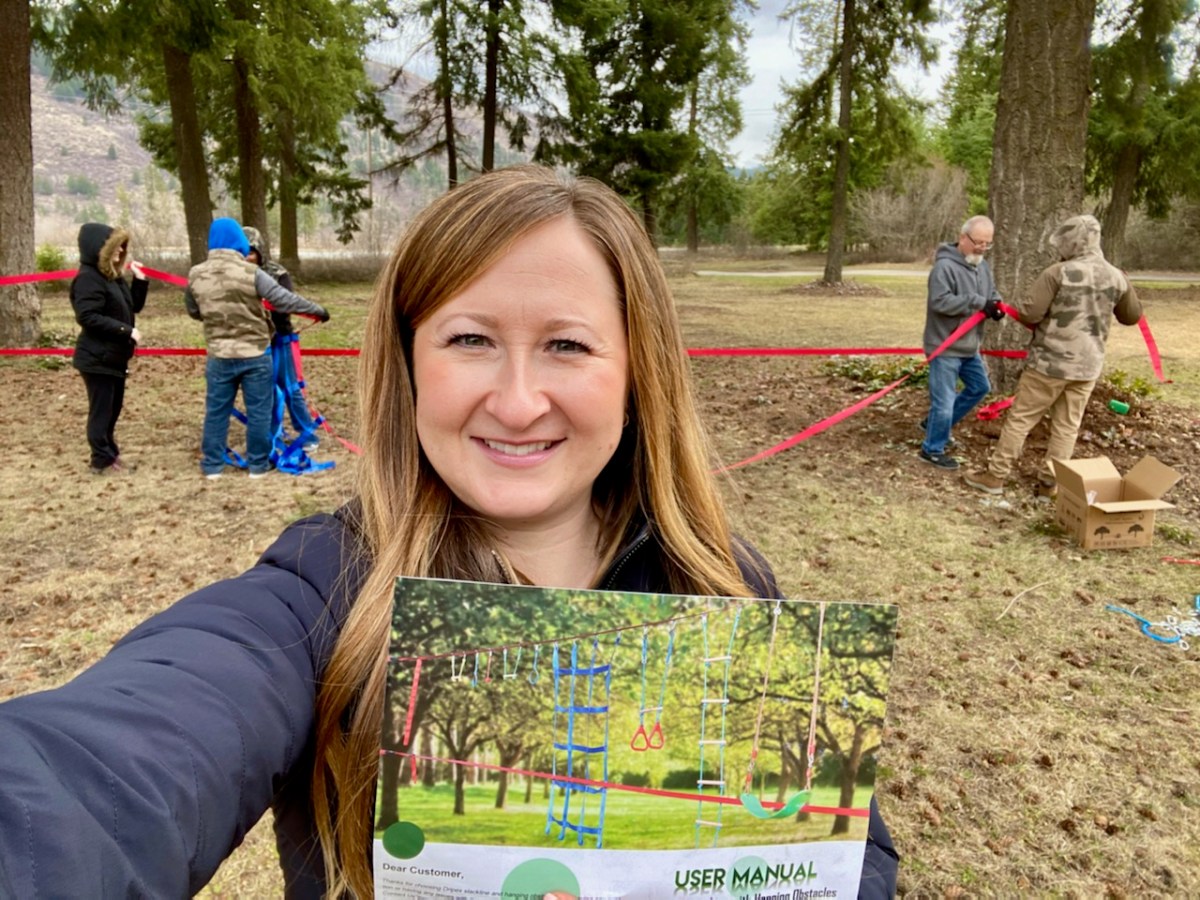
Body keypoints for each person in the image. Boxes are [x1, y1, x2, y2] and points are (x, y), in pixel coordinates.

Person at [0, 167, 899, 899]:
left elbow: (848, 852)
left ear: (637, 373)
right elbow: (108, 772)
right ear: (410, 363)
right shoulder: (322, 594)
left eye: (568, 345)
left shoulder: (725, 583)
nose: (517, 402)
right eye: (470, 339)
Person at [964, 214, 1142, 495]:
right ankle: (1050, 483)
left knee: (1021, 419)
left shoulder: (1057, 273)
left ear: (1069, 242)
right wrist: (1124, 286)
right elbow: (1131, 316)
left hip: (1048, 364)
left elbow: (1030, 313)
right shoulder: (1116, 276)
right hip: (1087, 368)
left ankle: (995, 476)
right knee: (1067, 427)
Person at [184, 217, 330, 479]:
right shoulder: (251, 273)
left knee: (216, 412)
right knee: (259, 411)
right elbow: (284, 299)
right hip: (255, 355)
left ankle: (213, 467)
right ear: (238, 242)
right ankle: (258, 466)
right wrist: (317, 310)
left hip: (219, 356)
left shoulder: (196, 274)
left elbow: (194, 311)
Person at [919, 215, 1005, 471]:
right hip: (944, 346)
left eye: (987, 243)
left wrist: (996, 306)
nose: (982, 248)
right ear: (962, 237)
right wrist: (978, 303)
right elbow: (940, 302)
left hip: (969, 347)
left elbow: (991, 294)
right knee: (944, 403)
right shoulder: (944, 268)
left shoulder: (982, 266)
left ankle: (933, 425)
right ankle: (932, 449)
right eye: (978, 242)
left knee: (980, 387)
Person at [69, 222, 148, 475]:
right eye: (115, 247)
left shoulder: (111, 276)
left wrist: (140, 281)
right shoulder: (87, 279)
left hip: (114, 357)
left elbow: (132, 306)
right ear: (99, 249)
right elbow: (87, 316)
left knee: (113, 410)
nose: (120, 251)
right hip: (96, 358)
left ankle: (110, 454)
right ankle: (101, 460)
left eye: (122, 247)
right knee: (102, 412)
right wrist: (126, 331)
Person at [243, 226, 322, 453]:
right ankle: (270, 434)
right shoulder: (237, 275)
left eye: (251, 252)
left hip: (279, 337)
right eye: (242, 252)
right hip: (254, 341)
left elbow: (286, 302)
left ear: (260, 252)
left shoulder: (277, 273)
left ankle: (307, 433)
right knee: (263, 390)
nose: (247, 257)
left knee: (290, 387)